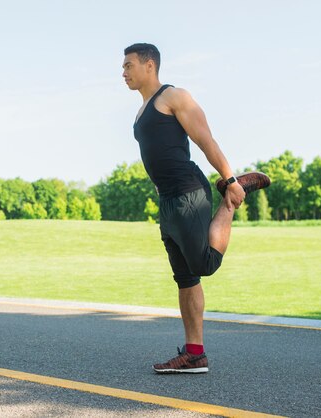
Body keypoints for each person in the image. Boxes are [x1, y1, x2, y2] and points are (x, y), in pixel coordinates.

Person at [122, 43, 269, 373]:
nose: (124, 72)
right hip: (167, 202)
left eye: (129, 65)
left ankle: (230, 200)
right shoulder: (141, 111)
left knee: (205, 264)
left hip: (189, 192)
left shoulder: (174, 97)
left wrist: (229, 179)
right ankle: (194, 354)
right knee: (185, 279)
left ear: (149, 66)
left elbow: (206, 140)